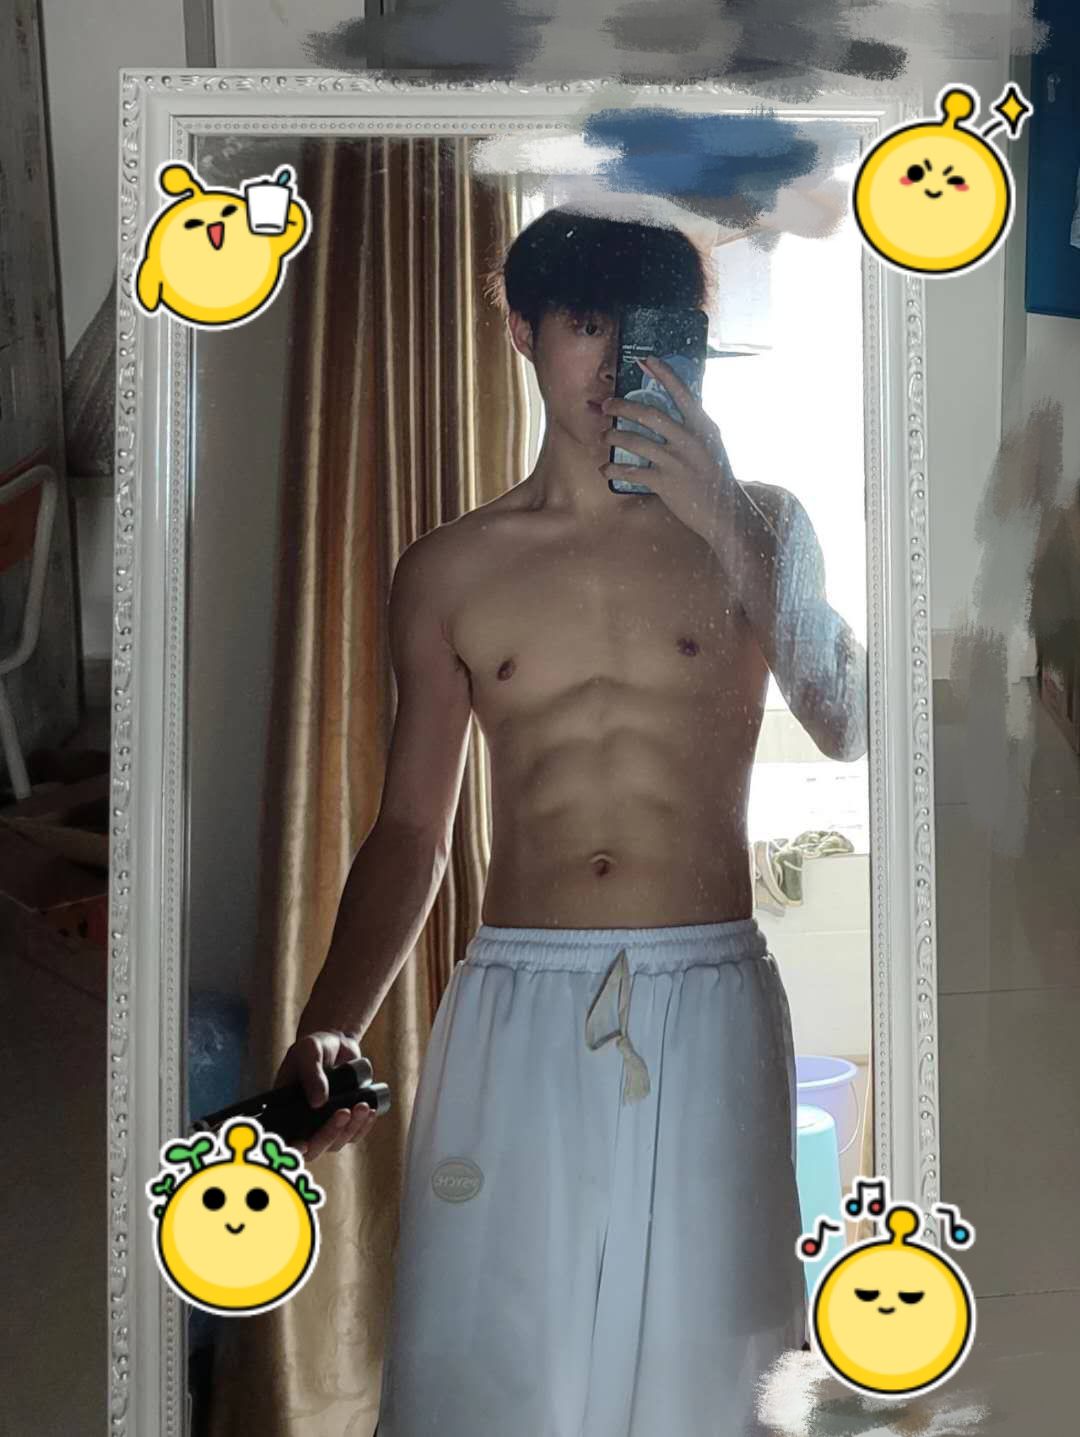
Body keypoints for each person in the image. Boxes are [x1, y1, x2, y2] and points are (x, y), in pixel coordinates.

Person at [274, 207, 868, 1435]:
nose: (619, 364)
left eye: (657, 331)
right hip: (519, 997)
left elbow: (849, 718)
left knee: (714, 1356)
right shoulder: (452, 567)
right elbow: (412, 831)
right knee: (497, 1353)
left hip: (710, 987)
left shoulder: (765, 525)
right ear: (523, 333)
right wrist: (331, 1020)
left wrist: (723, 517)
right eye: (589, 326)